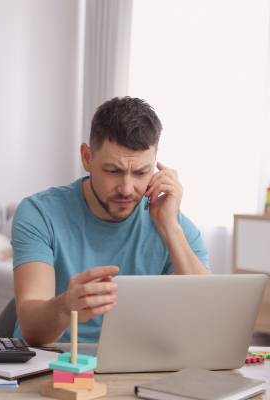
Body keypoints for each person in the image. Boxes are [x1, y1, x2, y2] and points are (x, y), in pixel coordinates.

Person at [12, 96, 211, 346]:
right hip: (53, 366)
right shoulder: (40, 213)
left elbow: (206, 318)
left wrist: (170, 228)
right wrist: (65, 307)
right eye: (113, 171)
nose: (127, 189)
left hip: (138, 369)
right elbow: (31, 330)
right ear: (87, 158)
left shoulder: (175, 225)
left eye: (141, 173)